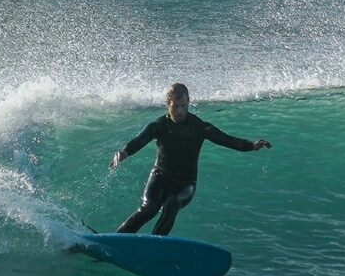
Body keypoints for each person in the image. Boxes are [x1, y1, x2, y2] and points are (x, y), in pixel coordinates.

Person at [110, 83, 270, 236]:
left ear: (188, 103)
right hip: (159, 177)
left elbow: (226, 139)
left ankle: (154, 245)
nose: (180, 111)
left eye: (183, 106)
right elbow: (139, 140)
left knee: (172, 204)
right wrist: (124, 152)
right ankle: (113, 241)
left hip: (185, 183)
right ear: (168, 103)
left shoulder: (198, 126)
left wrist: (251, 145)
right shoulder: (158, 125)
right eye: (176, 106)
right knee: (147, 210)